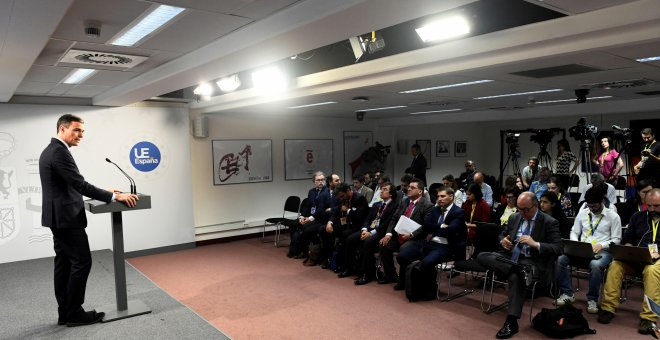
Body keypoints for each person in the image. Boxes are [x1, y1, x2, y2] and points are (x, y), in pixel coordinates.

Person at [40, 114, 138, 327]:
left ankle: (65, 312)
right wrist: (113, 196)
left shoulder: (52, 150)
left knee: (64, 264)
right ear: (62, 129)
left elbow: (67, 187)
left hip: (58, 217)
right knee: (81, 262)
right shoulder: (59, 152)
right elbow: (79, 184)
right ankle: (74, 313)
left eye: (83, 131)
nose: (81, 135)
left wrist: (104, 191)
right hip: (67, 219)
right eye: (77, 130)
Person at [476, 192, 563, 339]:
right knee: (482, 256)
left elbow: (558, 248)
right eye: (519, 209)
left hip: (531, 260)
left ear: (535, 206)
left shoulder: (549, 221)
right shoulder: (514, 217)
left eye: (525, 210)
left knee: (516, 277)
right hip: (510, 258)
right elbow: (501, 235)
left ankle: (511, 322)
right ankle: (519, 269)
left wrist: (535, 244)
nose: (522, 213)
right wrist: (503, 240)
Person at [598, 189, 660, 336]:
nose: (652, 209)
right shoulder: (638, 217)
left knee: (651, 271)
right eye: (649, 206)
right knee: (615, 265)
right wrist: (627, 246)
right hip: (637, 257)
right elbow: (628, 238)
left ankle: (649, 318)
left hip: (657, 261)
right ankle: (608, 308)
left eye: (656, 206)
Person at [555, 187, 621, 314]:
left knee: (595, 265)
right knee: (560, 259)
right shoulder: (583, 213)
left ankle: (592, 299)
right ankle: (567, 293)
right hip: (582, 249)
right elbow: (574, 231)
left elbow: (617, 240)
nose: (592, 209)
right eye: (589, 206)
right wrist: (575, 242)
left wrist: (602, 245)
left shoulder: (613, 217)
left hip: (603, 251)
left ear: (602, 201)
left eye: (595, 206)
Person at [395, 186, 466, 300]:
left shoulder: (459, 212)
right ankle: (413, 284)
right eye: (438, 196)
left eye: (443, 196)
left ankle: (429, 289)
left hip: (446, 246)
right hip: (429, 242)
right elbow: (426, 224)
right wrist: (442, 226)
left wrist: (435, 230)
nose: (439, 199)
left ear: (451, 197)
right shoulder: (436, 209)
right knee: (402, 256)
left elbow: (451, 230)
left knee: (426, 263)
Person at [380, 178, 433, 290]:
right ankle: (391, 275)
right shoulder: (404, 202)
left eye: (412, 188)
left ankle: (403, 281)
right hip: (399, 235)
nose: (408, 189)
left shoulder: (427, 205)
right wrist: (388, 234)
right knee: (384, 245)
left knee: (404, 250)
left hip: (415, 238)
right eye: (409, 187)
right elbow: (394, 219)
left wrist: (411, 235)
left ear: (420, 191)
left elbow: (425, 226)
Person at [351, 182, 400, 285]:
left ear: (391, 193)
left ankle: (367, 275)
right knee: (354, 239)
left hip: (383, 232)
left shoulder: (395, 206)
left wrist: (371, 233)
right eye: (381, 189)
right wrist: (364, 230)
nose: (381, 191)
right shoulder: (376, 204)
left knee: (368, 242)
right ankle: (359, 269)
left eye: (385, 189)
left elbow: (387, 224)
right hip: (371, 230)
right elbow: (368, 219)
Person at [325, 183, 369, 276]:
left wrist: (348, 210)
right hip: (347, 224)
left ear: (348, 191)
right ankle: (331, 260)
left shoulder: (359, 198)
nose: (340, 199)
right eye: (339, 197)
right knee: (326, 230)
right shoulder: (344, 198)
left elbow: (361, 217)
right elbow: (336, 213)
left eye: (342, 196)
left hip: (359, 226)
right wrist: (330, 223)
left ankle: (348, 267)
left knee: (346, 236)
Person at [298, 172, 333, 266]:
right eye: (318, 180)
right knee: (300, 225)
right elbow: (307, 206)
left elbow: (321, 209)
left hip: (323, 219)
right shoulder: (312, 191)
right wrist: (302, 216)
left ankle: (314, 255)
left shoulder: (326, 192)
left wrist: (310, 218)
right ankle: (304, 251)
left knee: (308, 230)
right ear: (314, 182)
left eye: (322, 180)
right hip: (314, 217)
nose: (321, 182)